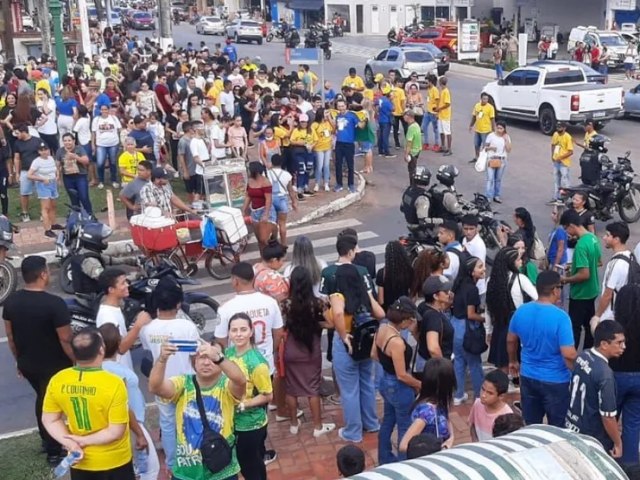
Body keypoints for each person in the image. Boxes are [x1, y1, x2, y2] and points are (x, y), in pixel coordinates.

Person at [3, 256, 73, 465]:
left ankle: (48, 440)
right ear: (43, 274)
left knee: (42, 399)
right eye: (48, 271)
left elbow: (11, 337)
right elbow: (65, 339)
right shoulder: (54, 304)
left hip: (28, 363)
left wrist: (19, 361)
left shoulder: (12, 302)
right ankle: (53, 449)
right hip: (54, 365)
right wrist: (77, 363)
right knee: (49, 405)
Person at [42, 327, 135, 478]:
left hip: (80, 460)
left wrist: (72, 443)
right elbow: (115, 431)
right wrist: (83, 440)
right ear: (101, 350)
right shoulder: (114, 383)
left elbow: (50, 419)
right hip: (114, 461)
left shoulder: (58, 379)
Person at [149, 340, 246, 480]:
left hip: (222, 470)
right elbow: (155, 387)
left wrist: (218, 357)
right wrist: (162, 359)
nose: (206, 362)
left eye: (212, 358)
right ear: (194, 361)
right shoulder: (183, 383)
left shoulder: (226, 385)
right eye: (202, 357)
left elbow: (240, 381)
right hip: (187, 472)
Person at [325, 234, 385, 443]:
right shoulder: (364, 294)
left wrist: (343, 336)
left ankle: (353, 431)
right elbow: (380, 314)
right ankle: (371, 423)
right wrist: (368, 296)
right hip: (366, 342)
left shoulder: (338, 295)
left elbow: (338, 314)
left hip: (347, 344)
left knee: (349, 390)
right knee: (366, 383)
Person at [139, 276, 201, 471]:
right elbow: (195, 358)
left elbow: (150, 352)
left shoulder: (147, 329)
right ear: (178, 303)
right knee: (191, 421)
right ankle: (194, 458)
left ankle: (173, 464)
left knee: (167, 424)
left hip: (161, 384)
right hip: (186, 383)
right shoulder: (188, 327)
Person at [214, 262, 286, 417]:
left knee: (237, 407)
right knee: (262, 405)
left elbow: (221, 342)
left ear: (235, 281)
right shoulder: (270, 302)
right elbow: (279, 333)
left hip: (236, 367)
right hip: (264, 364)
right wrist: (270, 351)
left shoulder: (226, 308)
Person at [508, 270, 577, 427]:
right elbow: (568, 354)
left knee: (531, 425)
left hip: (528, 376)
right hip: (556, 380)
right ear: (555, 290)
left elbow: (511, 340)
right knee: (558, 427)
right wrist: (576, 371)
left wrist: (513, 361)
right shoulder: (561, 317)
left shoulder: (521, 311)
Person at [100, 323, 160, 480]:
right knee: (149, 469)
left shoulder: (98, 369)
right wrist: (139, 433)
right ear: (119, 342)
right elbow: (125, 405)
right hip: (132, 424)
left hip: (111, 423)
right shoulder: (120, 373)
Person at [281, 266, 335, 437]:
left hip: (291, 350)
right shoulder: (318, 303)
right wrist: (316, 324)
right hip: (311, 351)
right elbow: (331, 323)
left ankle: (293, 424)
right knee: (312, 389)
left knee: (291, 389)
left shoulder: (285, 304)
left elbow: (281, 328)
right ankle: (317, 426)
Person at [373, 297, 422, 464]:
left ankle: (384, 457)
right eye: (410, 320)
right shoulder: (397, 343)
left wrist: (388, 364)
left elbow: (373, 354)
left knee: (387, 420)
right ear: (404, 319)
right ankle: (404, 463)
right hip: (398, 385)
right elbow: (402, 374)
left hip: (385, 381)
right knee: (405, 426)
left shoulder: (382, 327)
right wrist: (419, 384)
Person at [565, 320, 625, 457]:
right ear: (604, 344)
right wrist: (618, 442)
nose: (623, 347)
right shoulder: (605, 375)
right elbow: (608, 417)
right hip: (592, 437)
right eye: (619, 343)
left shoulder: (583, 355)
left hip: (571, 424)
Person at [226, 313, 274, 479]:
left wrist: (244, 404)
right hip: (232, 422)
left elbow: (268, 395)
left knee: (251, 469)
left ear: (251, 332)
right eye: (234, 330)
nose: (238, 334)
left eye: (243, 329)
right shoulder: (228, 353)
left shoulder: (257, 363)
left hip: (251, 425)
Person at [486, 247, 538, 375]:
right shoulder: (521, 279)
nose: (521, 262)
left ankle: (502, 390)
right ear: (511, 262)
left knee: (502, 364)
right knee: (519, 362)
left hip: (499, 324)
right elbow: (537, 298)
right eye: (518, 259)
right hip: (518, 324)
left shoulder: (491, 281)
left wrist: (488, 330)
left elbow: (488, 308)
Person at [560, 209, 602, 350]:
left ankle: (572, 357)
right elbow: (598, 262)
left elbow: (584, 274)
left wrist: (566, 279)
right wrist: (573, 266)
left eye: (566, 228)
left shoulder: (581, 245)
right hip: (592, 290)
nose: (567, 232)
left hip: (580, 294)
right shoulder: (592, 238)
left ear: (572, 225)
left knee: (575, 328)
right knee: (589, 325)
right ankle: (588, 352)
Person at [95, 268, 151, 371]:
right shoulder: (107, 316)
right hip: (119, 374)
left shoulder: (115, 308)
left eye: (126, 281)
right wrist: (138, 325)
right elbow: (120, 348)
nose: (127, 285)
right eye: (122, 283)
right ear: (111, 289)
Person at [399, 358, 456, 453]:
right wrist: (441, 448)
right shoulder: (427, 413)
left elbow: (446, 418)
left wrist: (451, 437)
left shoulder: (440, 401)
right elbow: (404, 446)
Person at [451, 256, 487, 406]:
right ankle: (479, 396)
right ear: (472, 272)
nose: (483, 269)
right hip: (467, 329)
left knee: (458, 362)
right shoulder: (472, 289)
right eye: (480, 267)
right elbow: (471, 314)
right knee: (474, 364)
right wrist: (485, 319)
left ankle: (459, 395)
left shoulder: (458, 285)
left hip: (454, 326)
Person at [611, 284, 640, 465]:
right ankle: (630, 465)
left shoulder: (614, 327)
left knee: (609, 419)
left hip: (616, 377)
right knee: (633, 424)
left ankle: (607, 456)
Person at [593, 222, 632, 324]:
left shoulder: (616, 263)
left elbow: (607, 295)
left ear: (616, 239)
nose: (604, 238)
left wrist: (597, 316)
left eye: (607, 235)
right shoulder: (630, 256)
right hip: (624, 314)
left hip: (610, 317)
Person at [416, 275, 455, 370]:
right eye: (445, 291)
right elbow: (433, 348)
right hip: (435, 366)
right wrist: (444, 368)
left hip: (425, 359)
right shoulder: (433, 317)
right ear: (435, 296)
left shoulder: (423, 306)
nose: (448, 293)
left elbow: (415, 330)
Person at [468, 370, 513, 442]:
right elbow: (472, 425)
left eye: (490, 393)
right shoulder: (477, 404)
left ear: (501, 396)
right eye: (483, 389)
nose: (483, 395)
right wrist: (475, 441)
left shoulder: (507, 416)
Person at [27, 142, 59, 238]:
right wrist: (42, 179)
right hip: (43, 185)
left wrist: (57, 175)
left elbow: (55, 168)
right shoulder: (36, 161)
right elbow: (29, 175)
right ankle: (47, 229)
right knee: (46, 208)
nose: (44, 152)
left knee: (53, 206)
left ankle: (53, 224)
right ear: (39, 152)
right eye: (42, 150)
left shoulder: (51, 158)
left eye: (46, 149)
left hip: (53, 183)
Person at [56, 133, 93, 216]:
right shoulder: (60, 151)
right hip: (68, 177)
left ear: (73, 141)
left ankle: (90, 215)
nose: (67, 142)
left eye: (69, 140)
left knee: (84, 197)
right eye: (65, 141)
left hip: (80, 176)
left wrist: (76, 157)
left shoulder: (79, 149)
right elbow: (58, 165)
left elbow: (86, 161)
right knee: (73, 198)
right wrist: (58, 175)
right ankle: (77, 217)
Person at [243, 162, 277, 250]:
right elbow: (248, 196)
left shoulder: (266, 182)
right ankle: (263, 258)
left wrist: (266, 214)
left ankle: (271, 253)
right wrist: (244, 209)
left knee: (264, 239)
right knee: (259, 239)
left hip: (264, 210)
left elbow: (268, 199)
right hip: (254, 212)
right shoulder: (250, 181)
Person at [13, 123, 42, 222]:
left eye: (17, 133)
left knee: (41, 192)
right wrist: (16, 173)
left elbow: (45, 154)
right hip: (25, 171)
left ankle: (43, 212)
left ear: (23, 132)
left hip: (38, 171)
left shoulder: (37, 141)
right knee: (24, 193)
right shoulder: (17, 143)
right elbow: (17, 159)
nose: (16, 135)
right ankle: (25, 213)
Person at [334, 98, 364, 193]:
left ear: (346, 106)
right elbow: (335, 127)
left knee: (350, 165)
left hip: (349, 144)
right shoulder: (337, 116)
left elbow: (360, 126)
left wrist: (365, 119)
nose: (341, 108)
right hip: (339, 143)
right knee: (338, 164)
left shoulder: (352, 115)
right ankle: (339, 184)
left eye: (342, 106)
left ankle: (351, 184)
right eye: (339, 106)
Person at [267, 153, 297, 245]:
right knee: (282, 224)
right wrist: (294, 202)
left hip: (270, 200)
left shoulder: (266, 174)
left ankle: (273, 244)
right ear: (281, 163)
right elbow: (291, 191)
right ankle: (284, 245)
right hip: (282, 200)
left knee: (272, 224)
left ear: (271, 162)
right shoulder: (287, 175)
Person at [376, 241, 414, 311]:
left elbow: (381, 301)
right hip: (405, 308)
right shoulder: (409, 270)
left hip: (390, 311)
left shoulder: (382, 273)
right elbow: (413, 294)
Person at [91, 103, 121, 189]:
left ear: (108, 110)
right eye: (102, 109)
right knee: (100, 163)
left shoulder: (114, 118)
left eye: (105, 109)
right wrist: (93, 144)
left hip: (113, 143)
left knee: (113, 162)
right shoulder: (96, 120)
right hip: (101, 144)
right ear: (100, 110)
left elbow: (119, 130)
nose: (104, 111)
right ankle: (101, 181)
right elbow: (93, 133)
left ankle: (114, 180)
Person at [484, 120, 511, 203]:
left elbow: (509, 150)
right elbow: (485, 148)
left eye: (501, 128)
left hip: (501, 160)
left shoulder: (506, 137)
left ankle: (496, 195)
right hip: (491, 158)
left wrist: (506, 140)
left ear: (504, 129)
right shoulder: (491, 136)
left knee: (498, 179)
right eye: (498, 128)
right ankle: (488, 197)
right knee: (490, 179)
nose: (499, 130)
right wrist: (491, 148)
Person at [461, 214, 487, 295]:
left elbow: (479, 269)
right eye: (466, 229)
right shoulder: (464, 240)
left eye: (471, 229)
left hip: (477, 289)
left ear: (477, 228)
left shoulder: (479, 246)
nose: (468, 232)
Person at [549, 122, 573, 204]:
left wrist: (561, 157)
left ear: (564, 128)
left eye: (560, 127)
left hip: (564, 163)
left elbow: (570, 152)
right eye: (557, 127)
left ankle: (566, 199)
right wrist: (552, 155)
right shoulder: (555, 134)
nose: (558, 129)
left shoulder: (567, 137)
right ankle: (556, 197)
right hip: (556, 162)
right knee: (556, 181)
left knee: (565, 181)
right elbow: (553, 145)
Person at [469, 93, 496, 163]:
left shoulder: (490, 107)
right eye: (484, 99)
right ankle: (477, 157)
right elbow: (474, 116)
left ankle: (484, 159)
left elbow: (492, 119)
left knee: (485, 146)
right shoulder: (477, 106)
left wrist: (493, 130)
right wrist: (471, 125)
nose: (485, 100)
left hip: (486, 130)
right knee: (476, 144)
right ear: (481, 99)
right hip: (478, 129)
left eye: (487, 99)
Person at [403, 110, 422, 185]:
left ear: (409, 117)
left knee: (411, 169)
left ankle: (413, 185)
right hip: (417, 149)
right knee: (413, 168)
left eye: (405, 116)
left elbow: (409, 142)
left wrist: (406, 154)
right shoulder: (416, 125)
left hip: (413, 151)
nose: (403, 117)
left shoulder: (411, 128)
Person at [421, 75, 440, 151]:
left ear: (431, 82)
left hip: (433, 113)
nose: (426, 83)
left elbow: (437, 100)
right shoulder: (429, 89)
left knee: (435, 129)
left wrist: (437, 112)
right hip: (428, 112)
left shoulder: (435, 90)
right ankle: (426, 143)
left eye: (427, 82)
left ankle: (436, 144)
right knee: (424, 127)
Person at [436, 76, 452, 156]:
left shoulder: (446, 91)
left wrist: (439, 109)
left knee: (447, 132)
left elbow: (447, 104)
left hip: (445, 115)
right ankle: (443, 146)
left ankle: (449, 149)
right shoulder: (442, 91)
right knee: (441, 132)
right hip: (441, 115)